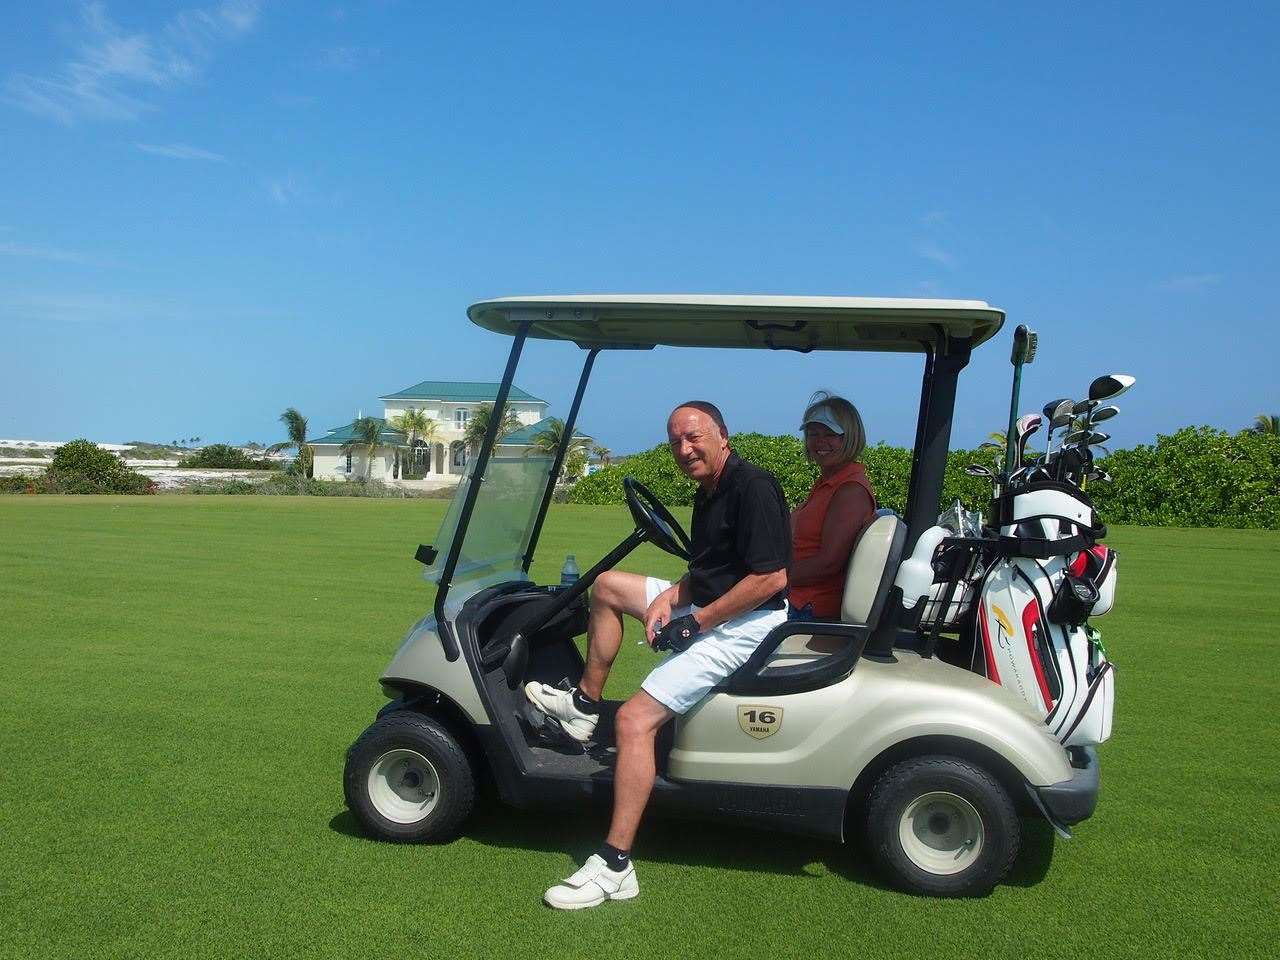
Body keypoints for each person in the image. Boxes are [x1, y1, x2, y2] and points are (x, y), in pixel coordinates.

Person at [523, 401, 791, 909]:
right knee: (605, 587)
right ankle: (583, 705)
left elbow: (770, 579)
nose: (685, 449)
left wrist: (695, 623)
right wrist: (674, 596)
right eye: (676, 442)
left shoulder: (753, 487)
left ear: (722, 435)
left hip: (748, 622)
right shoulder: (708, 492)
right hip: (711, 603)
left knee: (633, 721)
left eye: (694, 437)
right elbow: (710, 567)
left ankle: (616, 864)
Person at [788, 392, 877, 621]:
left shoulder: (850, 491)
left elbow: (828, 564)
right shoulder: (827, 484)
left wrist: (767, 579)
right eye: (813, 433)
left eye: (831, 434)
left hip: (806, 606)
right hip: (793, 596)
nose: (820, 441)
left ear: (850, 437)